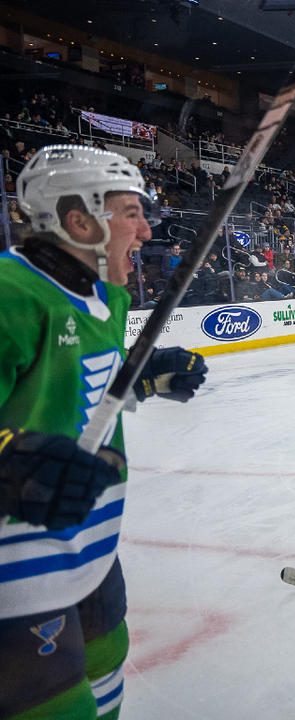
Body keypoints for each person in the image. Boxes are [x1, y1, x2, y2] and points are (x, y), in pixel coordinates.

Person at [1, 145, 208, 719]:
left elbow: (80, 401)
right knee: (54, 705)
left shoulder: (104, 299)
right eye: (129, 212)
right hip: (16, 563)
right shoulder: (10, 294)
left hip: (88, 543)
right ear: (78, 220)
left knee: (106, 660)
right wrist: (12, 460)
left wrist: (145, 382)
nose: (145, 231)